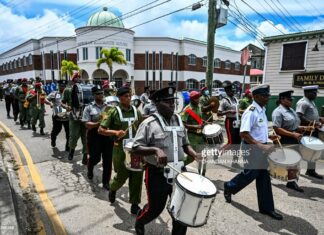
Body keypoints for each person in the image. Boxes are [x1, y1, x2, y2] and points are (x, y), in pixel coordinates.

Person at [132, 86, 202, 235]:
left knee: (182, 210)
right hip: (157, 173)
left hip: (179, 172)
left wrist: (194, 153)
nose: (172, 104)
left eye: (173, 101)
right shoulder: (149, 123)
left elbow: (185, 143)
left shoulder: (178, 120)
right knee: (155, 208)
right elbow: (135, 147)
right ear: (157, 103)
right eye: (168, 102)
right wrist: (155, 150)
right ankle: (140, 221)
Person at [223, 84, 283, 220]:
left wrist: (269, 137)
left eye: (268, 96)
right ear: (256, 97)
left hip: (260, 147)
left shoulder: (262, 109)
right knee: (250, 174)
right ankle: (229, 186)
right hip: (251, 148)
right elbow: (244, 133)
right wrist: (260, 146)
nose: (268, 98)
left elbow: (258, 131)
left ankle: (267, 208)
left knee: (263, 177)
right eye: (265, 96)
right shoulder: (250, 111)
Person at [98, 86, 143, 215]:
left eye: (129, 96)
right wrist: (116, 132)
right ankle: (113, 188)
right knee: (121, 177)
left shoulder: (136, 111)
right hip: (120, 150)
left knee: (137, 177)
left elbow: (142, 128)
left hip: (135, 151)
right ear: (119, 98)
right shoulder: (113, 111)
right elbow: (101, 130)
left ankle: (135, 204)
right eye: (125, 96)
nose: (128, 98)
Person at [83, 86, 113, 190]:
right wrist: (97, 124)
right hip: (94, 136)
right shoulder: (89, 107)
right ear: (93, 95)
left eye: (101, 93)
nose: (100, 95)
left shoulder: (109, 106)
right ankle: (90, 168)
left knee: (108, 160)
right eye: (98, 94)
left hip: (107, 136)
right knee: (95, 158)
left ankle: (106, 182)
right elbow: (86, 124)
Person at [296, 85, 324, 179]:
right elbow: (299, 117)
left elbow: (311, 115)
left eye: (316, 93)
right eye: (314, 93)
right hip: (306, 130)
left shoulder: (311, 102)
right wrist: (312, 123)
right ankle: (293, 169)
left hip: (313, 129)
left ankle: (311, 170)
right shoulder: (303, 103)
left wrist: (319, 119)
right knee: (302, 150)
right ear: (307, 93)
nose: (316, 95)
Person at [61, 72, 88, 163]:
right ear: (73, 80)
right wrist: (66, 107)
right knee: (73, 136)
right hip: (73, 116)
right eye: (76, 78)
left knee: (86, 138)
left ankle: (85, 155)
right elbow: (62, 102)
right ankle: (72, 151)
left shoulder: (85, 89)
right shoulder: (68, 90)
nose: (78, 79)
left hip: (85, 117)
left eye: (79, 78)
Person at [181, 90, 206, 174]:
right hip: (192, 136)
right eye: (196, 98)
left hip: (201, 136)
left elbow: (198, 118)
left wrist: (204, 122)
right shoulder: (187, 109)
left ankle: (202, 174)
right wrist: (196, 126)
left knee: (203, 157)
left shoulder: (199, 106)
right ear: (191, 99)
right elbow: (183, 124)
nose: (198, 99)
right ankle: (181, 165)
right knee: (191, 157)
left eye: (198, 97)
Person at [218, 81, 241, 168]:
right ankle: (218, 153)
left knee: (238, 143)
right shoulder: (224, 101)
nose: (233, 92)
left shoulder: (235, 99)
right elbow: (218, 113)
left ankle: (235, 162)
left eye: (234, 90)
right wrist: (228, 111)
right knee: (231, 142)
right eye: (231, 90)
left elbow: (238, 110)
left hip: (237, 121)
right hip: (229, 121)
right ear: (227, 91)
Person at [46, 80, 70, 152]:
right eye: (60, 86)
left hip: (67, 116)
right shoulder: (54, 93)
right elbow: (46, 99)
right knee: (56, 130)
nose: (62, 87)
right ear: (58, 86)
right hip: (57, 116)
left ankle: (67, 146)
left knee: (69, 133)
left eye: (63, 86)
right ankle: (53, 139)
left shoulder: (69, 94)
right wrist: (50, 103)